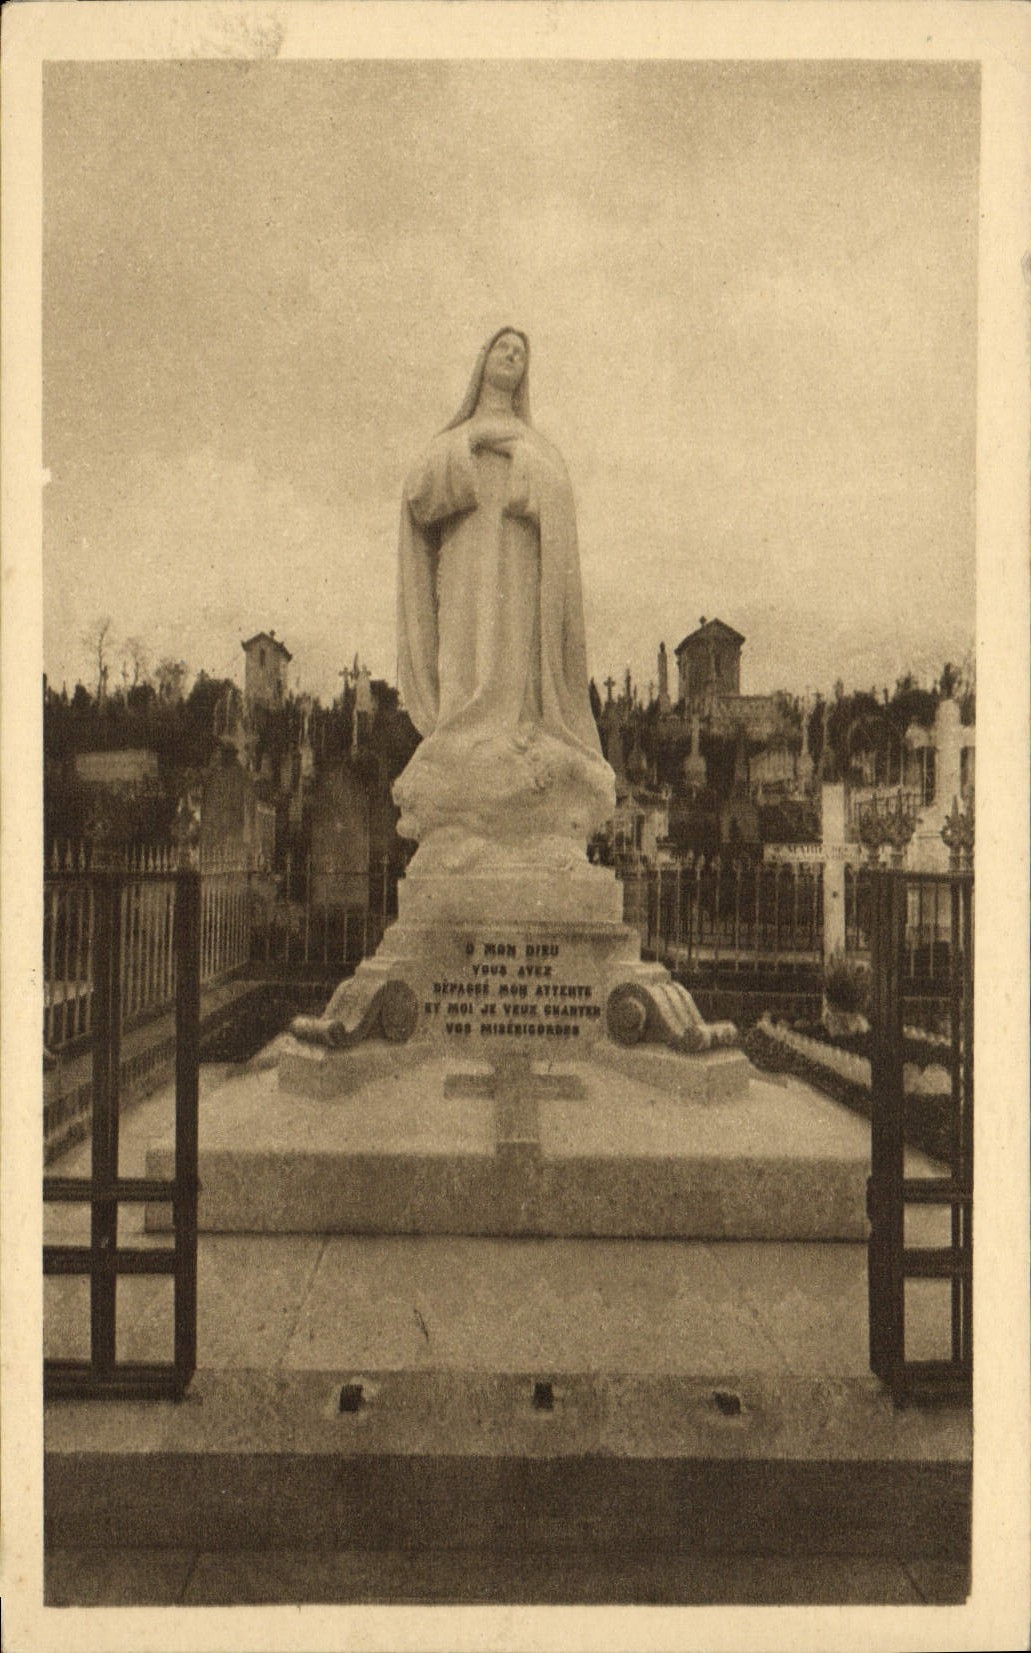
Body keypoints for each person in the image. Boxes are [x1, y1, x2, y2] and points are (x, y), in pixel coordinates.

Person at [394, 328, 614, 871]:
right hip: (465, 570)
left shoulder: (537, 447)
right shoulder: (454, 439)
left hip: (518, 574)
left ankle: (517, 728)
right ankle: (467, 733)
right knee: (467, 654)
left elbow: (556, 505)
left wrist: (521, 463)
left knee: (515, 653)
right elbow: (419, 498)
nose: (512, 356)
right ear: (484, 360)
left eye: (521, 352)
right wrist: (472, 448)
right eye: (503, 348)